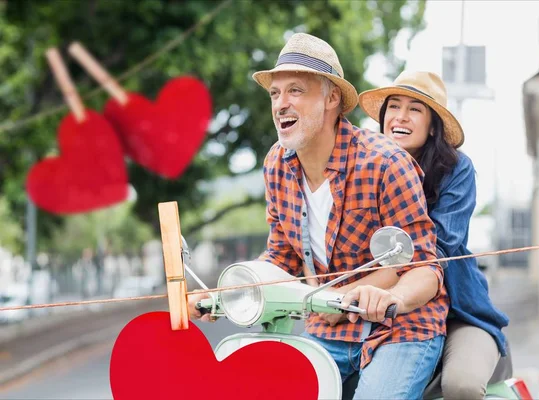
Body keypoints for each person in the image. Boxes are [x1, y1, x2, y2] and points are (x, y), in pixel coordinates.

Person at [188, 33, 449, 399]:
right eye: (275, 94)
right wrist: (227, 292)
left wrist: (394, 299)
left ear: (331, 99)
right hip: (329, 330)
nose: (281, 104)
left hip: (401, 328)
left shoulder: (386, 162)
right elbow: (281, 259)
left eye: (295, 90)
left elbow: (425, 266)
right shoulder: (276, 165)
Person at [341, 70, 512, 399]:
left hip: (456, 311)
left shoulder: (457, 169)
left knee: (461, 385)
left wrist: (374, 283)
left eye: (415, 109)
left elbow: (436, 248)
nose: (400, 117)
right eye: (393, 107)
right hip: (386, 309)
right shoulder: (363, 168)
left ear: (433, 124)